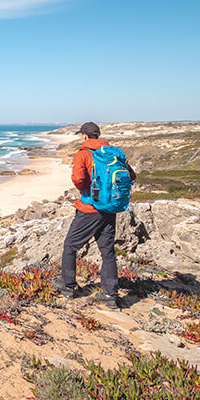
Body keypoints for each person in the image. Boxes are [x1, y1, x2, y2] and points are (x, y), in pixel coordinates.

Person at [56, 122, 136, 309]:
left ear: (84, 136)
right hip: (110, 208)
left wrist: (87, 192)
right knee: (107, 252)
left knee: (70, 246)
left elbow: (78, 179)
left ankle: (68, 287)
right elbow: (131, 176)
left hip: (89, 210)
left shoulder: (82, 153)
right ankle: (110, 296)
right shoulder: (113, 153)